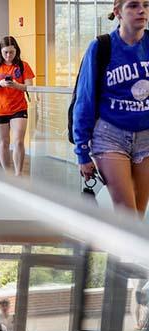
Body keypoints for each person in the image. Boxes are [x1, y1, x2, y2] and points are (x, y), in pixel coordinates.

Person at [73, 0, 149, 217]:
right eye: (133, 5)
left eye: (146, 4)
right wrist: (82, 153)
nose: (142, 10)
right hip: (110, 135)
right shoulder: (101, 47)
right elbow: (84, 101)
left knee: (137, 215)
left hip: (146, 137)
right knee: (127, 214)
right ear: (118, 12)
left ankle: (122, 251)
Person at [0, 36, 35, 176]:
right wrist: (0, 84)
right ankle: (7, 174)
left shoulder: (23, 65)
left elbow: (29, 87)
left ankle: (18, 174)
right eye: (5, 52)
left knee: (18, 141)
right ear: (0, 51)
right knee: (3, 142)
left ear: (16, 51)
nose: (8, 55)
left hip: (19, 108)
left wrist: (16, 85)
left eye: (11, 52)